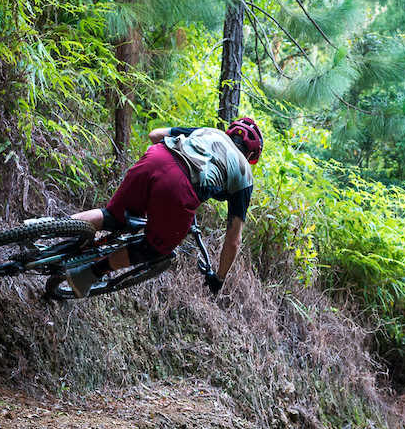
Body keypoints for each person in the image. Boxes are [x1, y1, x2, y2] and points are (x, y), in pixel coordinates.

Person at [65, 117, 263, 298]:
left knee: (114, 217)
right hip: (180, 185)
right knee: (156, 249)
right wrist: (218, 279)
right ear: (252, 154)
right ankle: (87, 274)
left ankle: (48, 227)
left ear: (230, 133)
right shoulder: (245, 175)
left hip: (157, 155)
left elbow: (155, 135)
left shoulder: (208, 131)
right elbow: (233, 241)